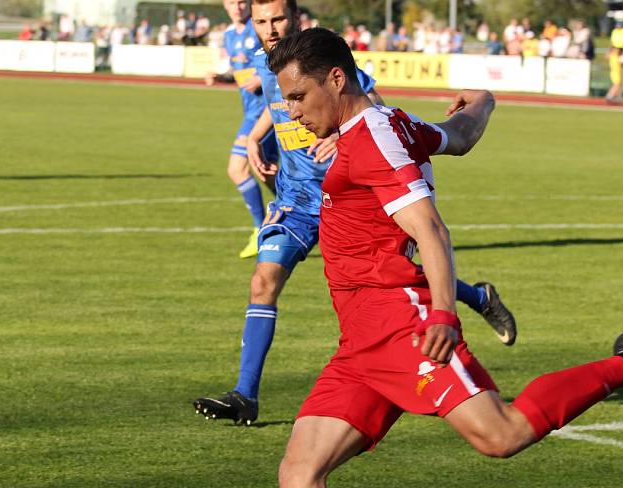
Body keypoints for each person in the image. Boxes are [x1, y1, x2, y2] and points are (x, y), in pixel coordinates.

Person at [191, 28, 623, 488]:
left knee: (501, 434)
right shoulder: (386, 126)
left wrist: (443, 312)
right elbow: (459, 136)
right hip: (360, 341)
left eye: (299, 97)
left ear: (338, 80)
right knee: (299, 465)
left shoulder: (374, 142)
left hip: (401, 325)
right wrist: (483, 99)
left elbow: (431, 231)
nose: (291, 112)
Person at [193, 1, 517, 427]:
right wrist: (255, 138)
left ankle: (476, 297)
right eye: (261, 22)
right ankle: (244, 395)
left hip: (344, 195)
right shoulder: (272, 65)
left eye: (277, 19)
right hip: (295, 199)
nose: (270, 29)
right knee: (263, 279)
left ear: (294, 16)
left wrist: (342, 138)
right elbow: (277, 111)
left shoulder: (319, 62)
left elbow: (370, 107)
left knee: (390, 273)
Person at [218, 0, 279, 258]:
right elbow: (240, 70)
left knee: (238, 168)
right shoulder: (229, 35)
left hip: (264, 111)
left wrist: (263, 75)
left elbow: (276, 59)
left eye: (242, 2)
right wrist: (222, 76)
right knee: (267, 171)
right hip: (250, 111)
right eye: (232, 2)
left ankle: (259, 229)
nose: (237, 7)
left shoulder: (260, 28)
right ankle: (310, 209)